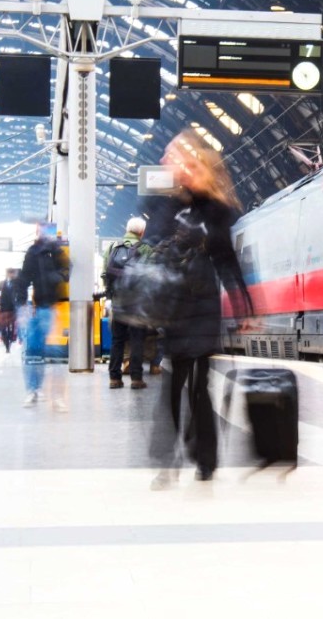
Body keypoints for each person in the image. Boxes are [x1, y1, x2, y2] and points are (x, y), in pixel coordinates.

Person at [144, 129, 252, 488]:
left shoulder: (215, 211)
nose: (167, 164)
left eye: (174, 159)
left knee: (199, 387)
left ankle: (205, 458)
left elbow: (226, 260)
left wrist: (244, 307)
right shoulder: (166, 206)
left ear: (196, 166)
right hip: (174, 310)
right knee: (173, 387)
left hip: (204, 311)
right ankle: (168, 458)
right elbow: (150, 249)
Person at [17, 223, 67, 407]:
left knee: (54, 352)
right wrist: (22, 304)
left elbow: (67, 269)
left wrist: (57, 277)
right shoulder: (33, 252)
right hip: (38, 308)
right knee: (33, 351)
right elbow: (23, 278)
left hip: (54, 307)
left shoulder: (57, 252)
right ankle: (33, 389)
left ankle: (56, 394)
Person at [103, 216, 150, 391]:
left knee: (117, 341)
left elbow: (104, 274)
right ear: (142, 232)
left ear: (127, 229)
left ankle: (114, 378)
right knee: (138, 340)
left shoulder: (112, 248)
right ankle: (136, 379)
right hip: (138, 304)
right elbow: (151, 277)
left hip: (118, 303)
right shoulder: (145, 249)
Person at [0, 268, 22, 353]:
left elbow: (19, 293)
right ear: (7, 274)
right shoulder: (2, 283)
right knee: (3, 327)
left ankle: (10, 341)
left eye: (12, 273)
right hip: (3, 308)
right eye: (9, 273)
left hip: (12, 308)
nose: (11, 275)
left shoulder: (16, 283)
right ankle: (6, 343)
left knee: (12, 327)